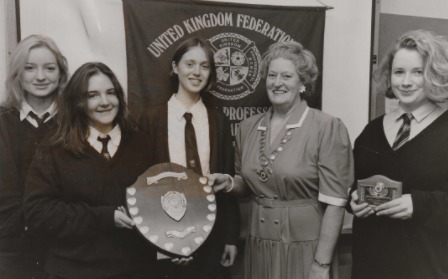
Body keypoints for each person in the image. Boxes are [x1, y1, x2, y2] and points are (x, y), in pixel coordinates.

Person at [209, 41, 354, 279]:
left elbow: (336, 203)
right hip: (259, 244)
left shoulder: (326, 126)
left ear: (303, 83)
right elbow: (247, 186)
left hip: (306, 247)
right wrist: (228, 183)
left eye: (287, 76)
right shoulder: (248, 127)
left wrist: (321, 264)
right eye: (272, 75)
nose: (277, 83)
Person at [24, 62, 157, 279]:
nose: (104, 102)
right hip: (72, 271)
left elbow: (159, 203)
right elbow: (38, 213)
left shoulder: (142, 143)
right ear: (78, 102)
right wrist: (103, 217)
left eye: (111, 93)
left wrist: (176, 245)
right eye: (92, 95)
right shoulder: (54, 148)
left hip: (136, 270)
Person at [348, 30, 448, 279]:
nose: (406, 82)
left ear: (434, 75)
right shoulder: (372, 130)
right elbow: (353, 181)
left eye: (418, 72)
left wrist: (420, 204)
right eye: (398, 72)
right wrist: (352, 199)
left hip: (426, 266)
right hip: (369, 264)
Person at [139, 37, 240, 279]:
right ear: (175, 68)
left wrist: (230, 238)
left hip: (212, 234)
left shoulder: (218, 121)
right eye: (190, 64)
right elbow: (144, 187)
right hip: (167, 234)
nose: (197, 72)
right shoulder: (151, 120)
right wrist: (164, 241)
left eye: (204, 66)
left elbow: (227, 183)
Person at [0, 34, 69, 279]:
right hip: (10, 251)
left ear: (61, 73)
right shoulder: (3, 121)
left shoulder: (75, 124)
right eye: (30, 68)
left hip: (65, 250)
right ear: (18, 73)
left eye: (49, 68)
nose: (40, 77)